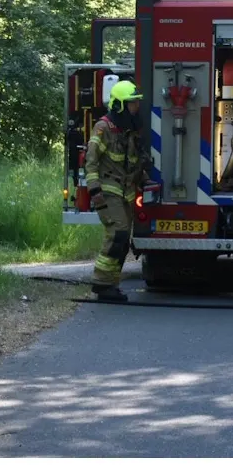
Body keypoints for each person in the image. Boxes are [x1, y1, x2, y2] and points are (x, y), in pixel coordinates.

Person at [84, 80, 145, 302]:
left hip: (125, 192)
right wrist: (94, 190)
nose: (136, 107)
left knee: (123, 239)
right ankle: (101, 284)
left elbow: (132, 161)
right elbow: (91, 161)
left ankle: (112, 285)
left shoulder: (128, 130)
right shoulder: (103, 128)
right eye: (132, 103)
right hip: (108, 191)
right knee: (117, 233)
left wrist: (144, 178)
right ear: (119, 105)